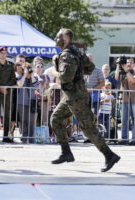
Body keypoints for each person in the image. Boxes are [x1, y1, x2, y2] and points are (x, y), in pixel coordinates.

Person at [50, 28, 120, 172]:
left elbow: (65, 77)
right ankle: (66, 152)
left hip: (76, 97)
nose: (56, 38)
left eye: (59, 36)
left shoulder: (67, 55)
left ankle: (110, 155)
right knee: (55, 119)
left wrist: (54, 71)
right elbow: (90, 67)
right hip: (71, 95)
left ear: (67, 39)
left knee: (88, 129)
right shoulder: (78, 53)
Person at [115, 58, 135, 145]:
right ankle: (124, 138)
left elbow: (133, 80)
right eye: (127, 62)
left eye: (131, 63)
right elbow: (116, 77)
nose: (129, 64)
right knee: (124, 120)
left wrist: (126, 71)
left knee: (134, 120)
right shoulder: (123, 73)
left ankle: (134, 139)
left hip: (134, 100)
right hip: (124, 99)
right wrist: (118, 65)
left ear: (133, 64)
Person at [0, 46, 17, 143]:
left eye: (5, 53)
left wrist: (5, 87)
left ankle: (6, 136)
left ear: (7, 54)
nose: (3, 55)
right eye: (1, 53)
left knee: (7, 115)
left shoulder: (11, 65)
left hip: (7, 93)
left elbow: (13, 79)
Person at [17, 63, 39, 143]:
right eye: (26, 69)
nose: (28, 70)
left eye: (29, 69)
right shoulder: (21, 77)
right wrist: (24, 75)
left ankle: (31, 137)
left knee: (32, 120)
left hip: (32, 101)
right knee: (23, 120)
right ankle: (24, 136)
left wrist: (32, 75)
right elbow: (19, 85)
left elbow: (36, 86)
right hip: (22, 101)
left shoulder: (35, 77)